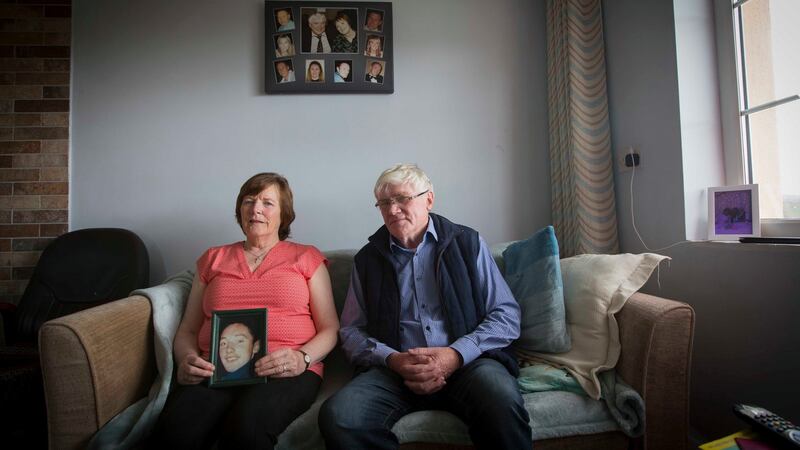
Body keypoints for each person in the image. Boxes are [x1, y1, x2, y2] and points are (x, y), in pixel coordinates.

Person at [319, 164, 532, 450]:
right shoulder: (367, 260)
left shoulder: (467, 243)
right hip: (394, 371)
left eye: (402, 199)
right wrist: (393, 359)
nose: (392, 210)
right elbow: (351, 331)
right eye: (384, 203)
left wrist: (456, 354)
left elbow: (505, 315)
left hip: (469, 365)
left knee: (502, 400)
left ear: (429, 199)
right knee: (340, 416)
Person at [152, 173, 339, 449]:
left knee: (247, 430)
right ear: (240, 210)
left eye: (267, 202)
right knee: (175, 431)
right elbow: (188, 329)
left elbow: (331, 328)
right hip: (216, 370)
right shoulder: (212, 258)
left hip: (285, 371)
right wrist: (187, 359)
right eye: (249, 201)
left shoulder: (306, 257)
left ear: (284, 214)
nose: (256, 209)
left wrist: (303, 357)